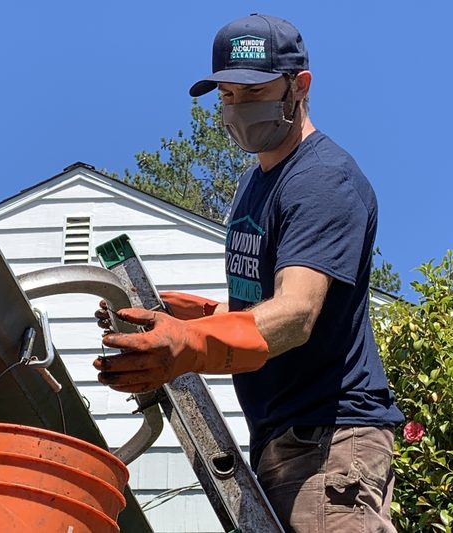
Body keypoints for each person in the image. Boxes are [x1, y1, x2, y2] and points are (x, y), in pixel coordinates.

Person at [94, 13, 404, 532]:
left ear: (298, 86)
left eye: (253, 91)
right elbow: (262, 308)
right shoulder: (254, 183)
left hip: (328, 439)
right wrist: (202, 314)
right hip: (284, 438)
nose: (237, 108)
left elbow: (296, 314)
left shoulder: (322, 180)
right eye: (228, 96)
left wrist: (190, 343)